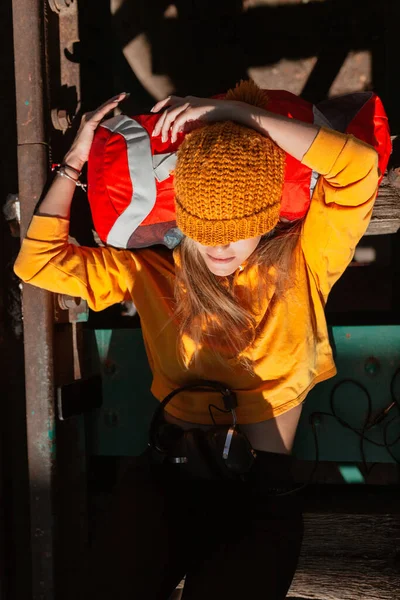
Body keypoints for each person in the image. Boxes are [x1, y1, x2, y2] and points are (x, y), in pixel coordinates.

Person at [14, 81, 380, 599]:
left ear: (266, 217)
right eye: (203, 227)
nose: (217, 245)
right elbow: (38, 263)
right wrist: (74, 161)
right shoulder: (154, 273)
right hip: (165, 478)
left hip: (258, 493)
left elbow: (358, 167)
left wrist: (233, 113)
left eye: (236, 228)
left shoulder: (305, 261)